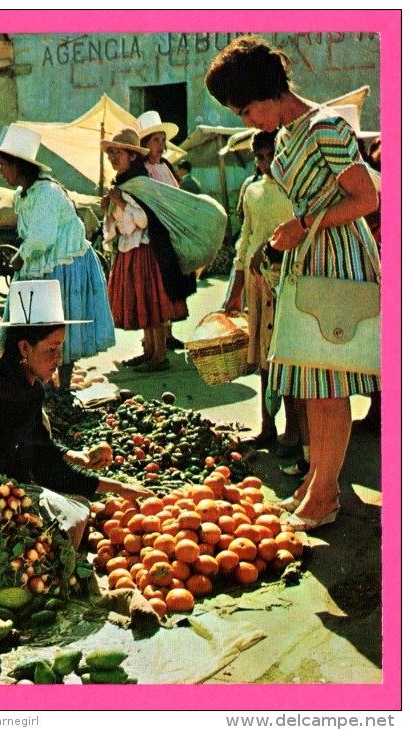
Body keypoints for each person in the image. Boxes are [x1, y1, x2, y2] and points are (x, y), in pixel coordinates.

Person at [205, 35, 380, 530]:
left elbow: (366, 199)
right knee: (314, 383)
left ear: (266, 91)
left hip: (337, 261)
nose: (246, 121)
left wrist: (304, 226)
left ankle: (326, 493)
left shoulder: (326, 126)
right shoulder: (287, 134)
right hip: (307, 259)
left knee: (331, 381)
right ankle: (314, 484)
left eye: (245, 109)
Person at [0, 280, 152, 546]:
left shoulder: (24, 382)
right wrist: (116, 487)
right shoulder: (2, 394)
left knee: (77, 506)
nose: (58, 358)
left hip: (14, 469)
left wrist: (76, 456)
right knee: (71, 517)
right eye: (52, 349)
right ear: (25, 348)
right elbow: (44, 465)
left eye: (60, 348)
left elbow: (38, 442)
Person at [0, 123, 115, 390]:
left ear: (19, 164)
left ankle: (62, 387)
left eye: (4, 165)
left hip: (66, 264)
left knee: (59, 327)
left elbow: (42, 238)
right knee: (34, 328)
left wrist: (22, 256)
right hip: (46, 262)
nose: (2, 172)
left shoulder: (47, 193)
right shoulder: (25, 194)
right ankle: (41, 384)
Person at [223, 130, 300, 453]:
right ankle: (267, 426)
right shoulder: (252, 191)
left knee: (288, 359)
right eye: (260, 157)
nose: (266, 163)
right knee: (263, 359)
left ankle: (295, 431)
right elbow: (245, 239)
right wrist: (235, 289)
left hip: (287, 280)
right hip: (256, 282)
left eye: (272, 156)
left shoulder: (297, 191)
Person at [100, 128, 194, 372]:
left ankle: (159, 356)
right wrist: (109, 209)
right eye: (110, 153)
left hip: (145, 249)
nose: (112, 157)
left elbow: (143, 219)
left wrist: (119, 202)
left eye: (117, 152)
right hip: (129, 248)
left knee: (152, 303)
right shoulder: (121, 182)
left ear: (132, 156)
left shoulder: (140, 183)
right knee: (142, 302)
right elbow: (117, 224)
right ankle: (150, 352)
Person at [136, 110, 196, 351]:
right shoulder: (140, 170)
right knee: (154, 289)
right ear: (144, 144)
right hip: (151, 236)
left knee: (171, 284)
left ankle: (168, 334)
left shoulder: (167, 167)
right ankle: (153, 342)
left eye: (162, 140)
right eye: (155, 140)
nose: (160, 145)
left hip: (171, 234)